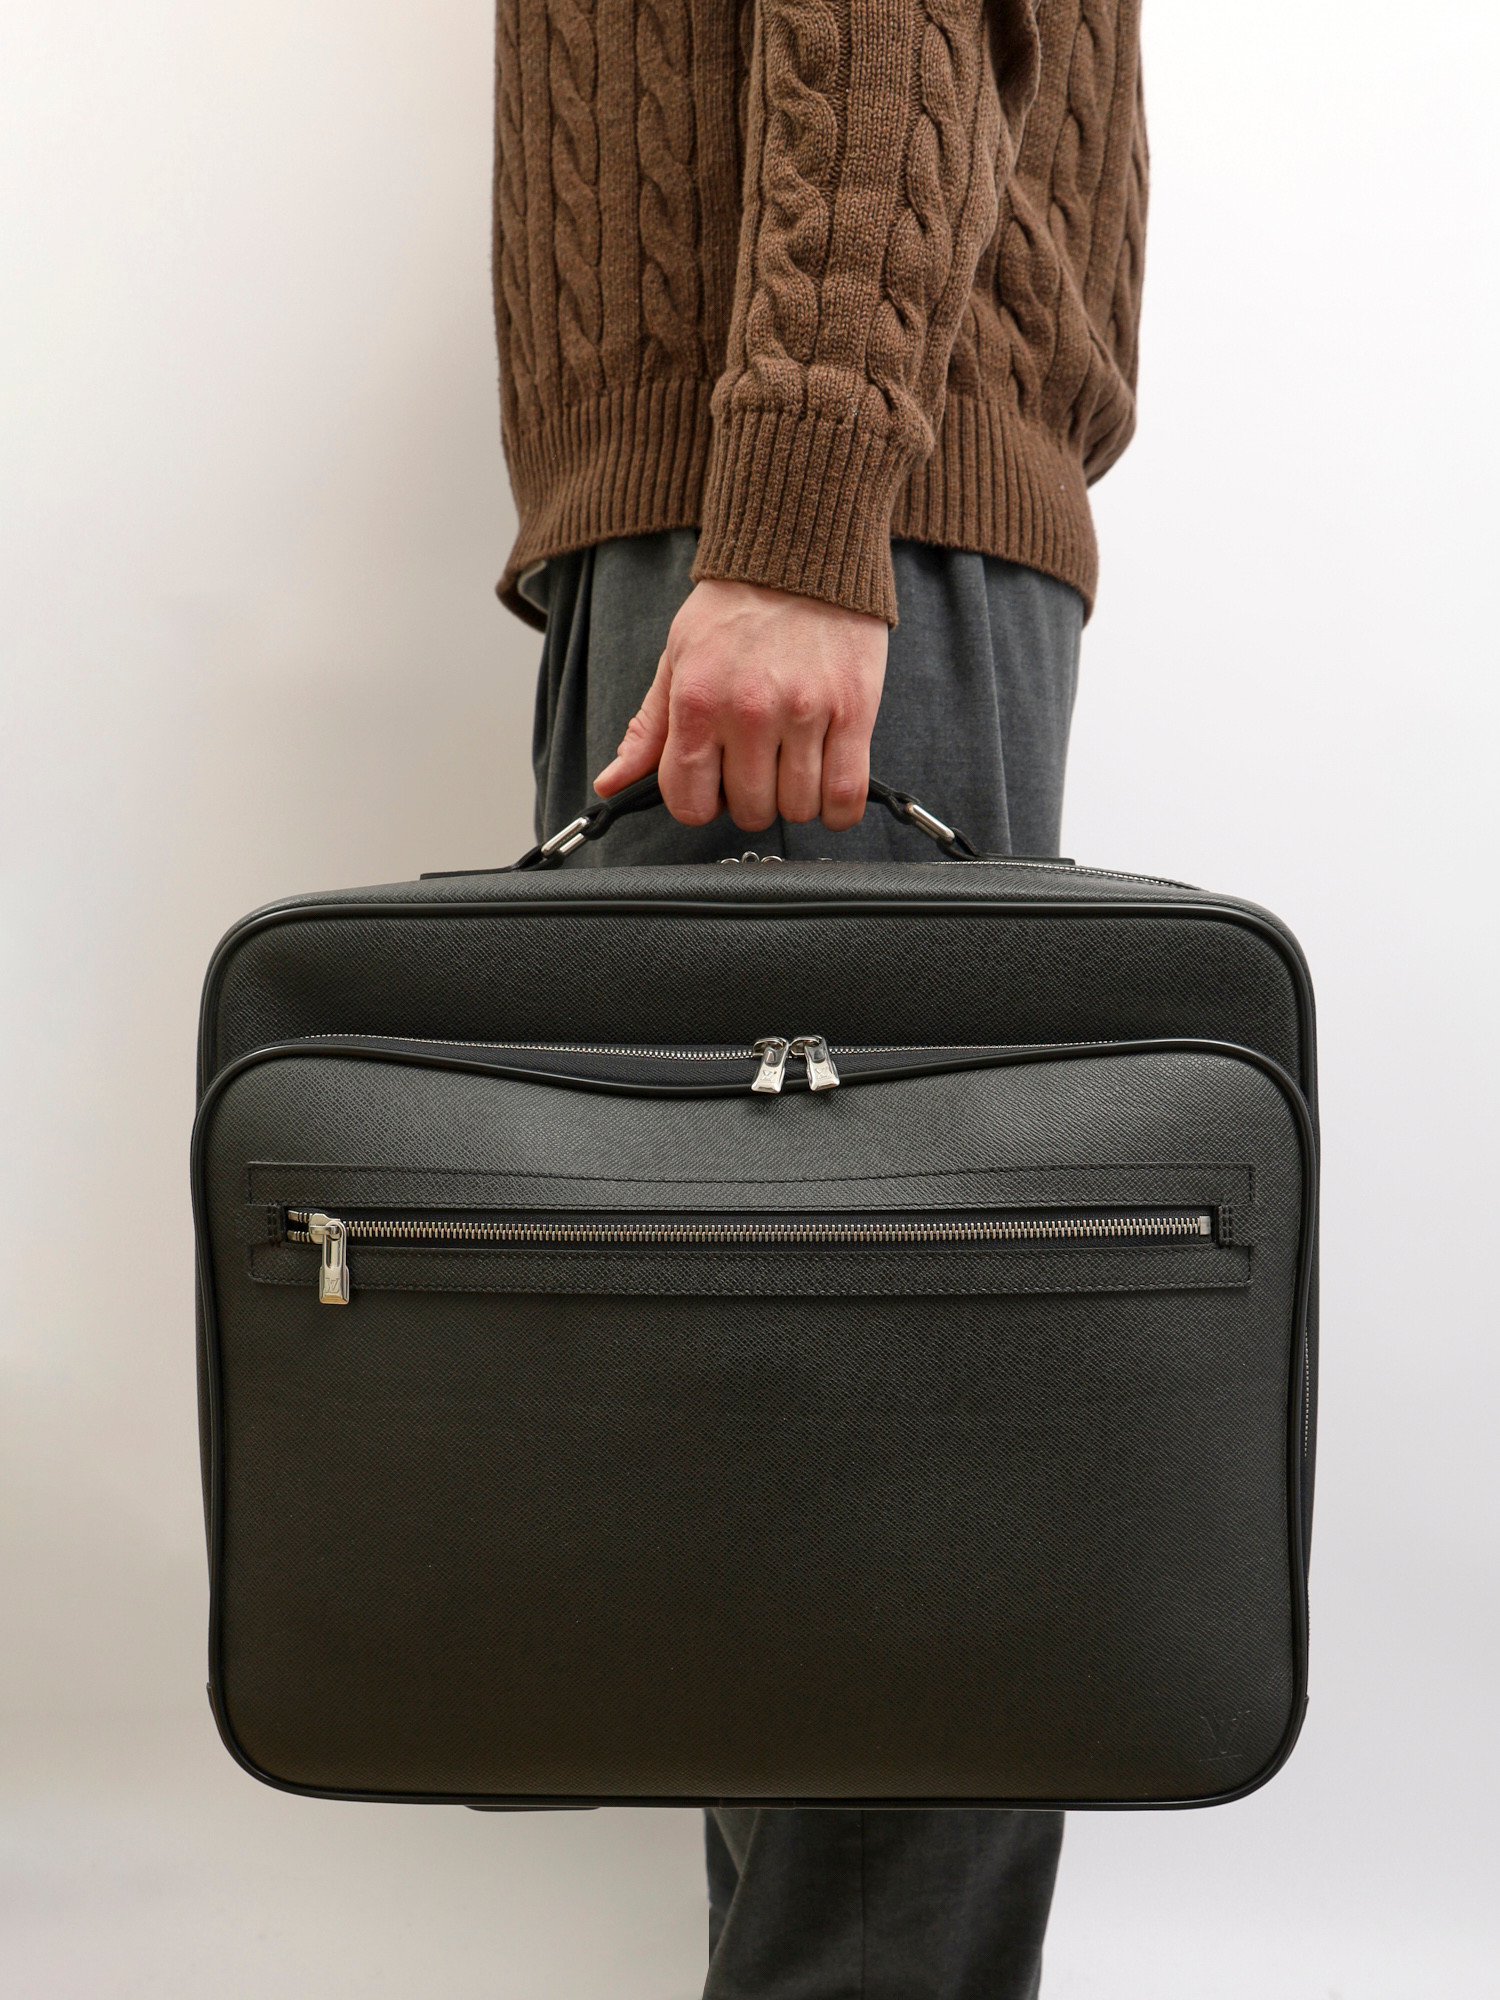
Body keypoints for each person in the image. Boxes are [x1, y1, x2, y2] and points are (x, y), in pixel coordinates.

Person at [491, 0, 1146, 1988]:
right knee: (773, 1471)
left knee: (866, 1466)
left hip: (809, 509)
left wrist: (797, 509)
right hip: (755, 507)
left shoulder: (798, 513)